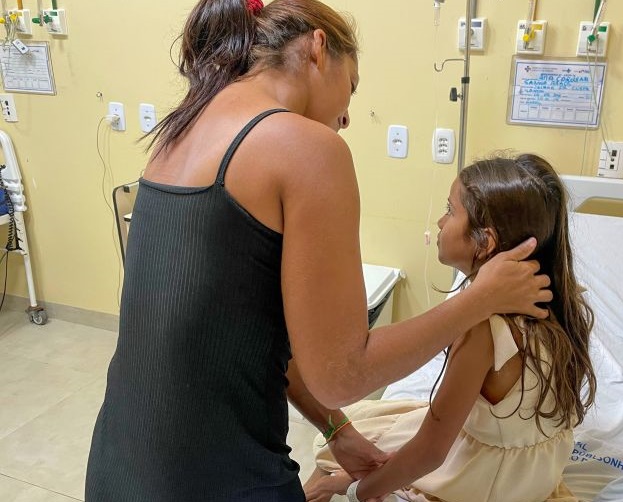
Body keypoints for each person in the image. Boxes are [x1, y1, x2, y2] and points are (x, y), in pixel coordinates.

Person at [85, 1, 553, 501]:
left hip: (118, 463)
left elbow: (240, 333)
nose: (347, 116)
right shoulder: (306, 146)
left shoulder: (178, 132)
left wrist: (338, 430)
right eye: (351, 85)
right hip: (215, 477)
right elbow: (343, 375)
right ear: (317, 47)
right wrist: (479, 299)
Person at [305, 153, 596, 502]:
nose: (440, 221)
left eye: (450, 210)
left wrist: (355, 490)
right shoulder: (565, 305)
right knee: (358, 430)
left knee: (332, 459)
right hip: (533, 477)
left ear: (485, 241)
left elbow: (430, 452)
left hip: (483, 482)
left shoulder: (484, 331)